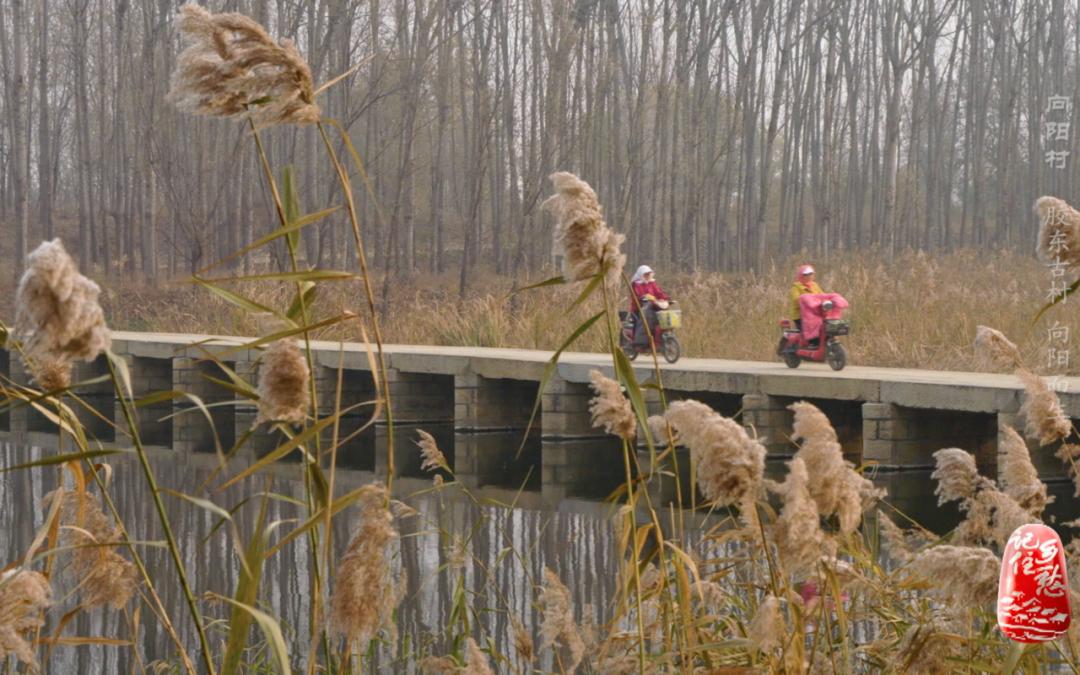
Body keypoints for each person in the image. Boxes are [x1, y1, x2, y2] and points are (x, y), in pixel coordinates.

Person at [629, 265, 670, 346]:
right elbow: (638, 295)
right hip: (640, 308)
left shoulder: (652, 283)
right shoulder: (636, 284)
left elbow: (658, 292)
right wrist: (644, 298)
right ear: (641, 275)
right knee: (648, 320)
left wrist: (665, 298)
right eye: (645, 274)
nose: (648, 276)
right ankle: (642, 342)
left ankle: (658, 340)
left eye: (649, 274)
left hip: (653, 306)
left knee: (664, 318)